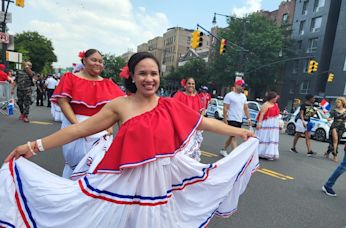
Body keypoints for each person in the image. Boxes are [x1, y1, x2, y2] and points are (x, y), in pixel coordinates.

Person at [0, 52, 259, 226]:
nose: (149, 79)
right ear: (132, 77)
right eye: (143, 73)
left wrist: (240, 132)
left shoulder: (170, 105)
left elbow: (205, 123)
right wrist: (34, 146)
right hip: (124, 181)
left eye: (154, 73)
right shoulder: (120, 106)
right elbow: (80, 130)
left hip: (161, 182)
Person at [50, 49, 125, 178]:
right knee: (76, 164)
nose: (98, 64)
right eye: (94, 60)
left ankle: (89, 196)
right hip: (74, 124)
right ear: (84, 60)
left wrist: (109, 126)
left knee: (97, 169)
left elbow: (117, 107)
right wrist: (77, 126)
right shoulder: (70, 78)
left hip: (101, 130)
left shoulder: (108, 84)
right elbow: (63, 102)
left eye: (101, 61)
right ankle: (70, 192)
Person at [173, 77, 204, 161]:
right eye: (189, 83)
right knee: (181, 152)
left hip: (193, 128)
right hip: (181, 127)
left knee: (192, 152)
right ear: (185, 85)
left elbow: (201, 113)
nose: (191, 85)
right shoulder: (179, 95)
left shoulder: (197, 98)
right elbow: (173, 110)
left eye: (193, 84)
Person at [219, 79, 251, 157]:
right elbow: (225, 108)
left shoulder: (243, 96)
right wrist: (225, 120)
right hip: (231, 118)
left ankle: (223, 149)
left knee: (232, 136)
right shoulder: (229, 95)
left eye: (244, 86)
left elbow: (245, 108)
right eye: (242, 86)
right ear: (237, 85)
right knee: (234, 136)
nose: (243, 88)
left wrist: (249, 118)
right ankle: (235, 156)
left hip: (239, 119)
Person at [256, 91, 281, 160]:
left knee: (272, 137)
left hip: (274, 123)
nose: (276, 99)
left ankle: (270, 153)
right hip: (267, 123)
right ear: (272, 98)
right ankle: (261, 152)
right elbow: (262, 114)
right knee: (265, 136)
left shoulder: (276, 105)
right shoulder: (266, 104)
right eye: (275, 98)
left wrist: (278, 123)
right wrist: (259, 123)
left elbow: (277, 115)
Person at [324, 97, 346, 162]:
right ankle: (335, 155)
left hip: (342, 126)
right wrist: (329, 119)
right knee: (335, 140)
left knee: (337, 141)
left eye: (338, 102)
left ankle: (328, 152)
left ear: (342, 103)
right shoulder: (334, 111)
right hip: (334, 125)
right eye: (336, 102)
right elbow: (329, 117)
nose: (337, 104)